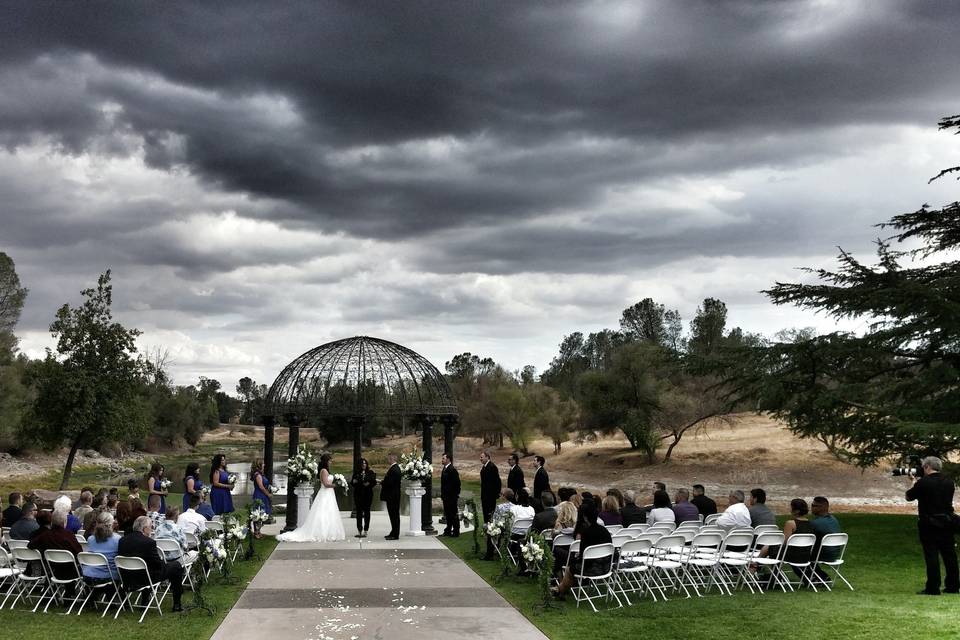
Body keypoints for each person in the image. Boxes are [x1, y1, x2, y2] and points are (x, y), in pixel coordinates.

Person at [906, 456, 959, 595]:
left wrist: (913, 482)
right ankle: (953, 586)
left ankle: (933, 587)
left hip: (928, 523)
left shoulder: (923, 483)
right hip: (947, 522)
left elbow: (908, 497)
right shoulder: (949, 482)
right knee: (950, 555)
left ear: (927, 467)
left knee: (932, 555)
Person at [117, 516, 184, 612]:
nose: (152, 529)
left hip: (127, 579)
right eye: (151, 527)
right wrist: (163, 562)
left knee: (147, 568)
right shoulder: (149, 542)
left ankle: (145, 601)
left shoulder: (122, 540)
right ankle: (177, 604)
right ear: (145, 529)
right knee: (176, 566)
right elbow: (158, 565)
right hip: (145, 579)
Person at [277, 453, 346, 543]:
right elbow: (325, 484)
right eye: (329, 461)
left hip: (329, 494)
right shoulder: (324, 471)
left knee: (329, 511)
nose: (330, 462)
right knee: (323, 512)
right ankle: (321, 532)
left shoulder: (326, 470)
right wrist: (336, 485)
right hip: (325, 493)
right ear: (326, 461)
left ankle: (329, 531)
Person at [554, 502, 612, 598]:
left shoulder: (586, 533)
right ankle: (559, 590)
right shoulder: (604, 531)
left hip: (591, 568)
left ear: (585, 517)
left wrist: (576, 559)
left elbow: (583, 558)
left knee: (570, 568)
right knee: (572, 564)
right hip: (606, 567)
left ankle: (560, 590)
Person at [809, 496, 842, 584]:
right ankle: (822, 577)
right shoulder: (834, 519)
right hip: (835, 554)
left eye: (814, 505)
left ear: (823, 507)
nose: (811, 507)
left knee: (797, 555)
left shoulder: (815, 523)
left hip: (824, 554)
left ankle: (811, 579)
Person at [84, 511, 121, 581]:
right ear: (111, 524)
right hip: (108, 577)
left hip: (88, 576)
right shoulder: (117, 539)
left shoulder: (90, 539)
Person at [480, 450, 502, 560]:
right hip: (485, 497)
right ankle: (489, 548)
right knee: (486, 521)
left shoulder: (492, 467)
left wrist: (495, 494)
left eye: (482, 457)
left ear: (488, 457)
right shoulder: (484, 467)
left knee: (489, 521)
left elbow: (497, 482)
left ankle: (490, 551)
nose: (480, 459)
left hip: (489, 498)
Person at [351, 457, 376, 538]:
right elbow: (353, 482)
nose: (364, 465)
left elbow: (373, 481)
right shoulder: (356, 472)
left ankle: (366, 530)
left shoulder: (370, 472)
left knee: (367, 512)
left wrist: (368, 483)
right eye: (362, 463)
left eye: (365, 463)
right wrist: (355, 482)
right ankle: (359, 530)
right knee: (359, 512)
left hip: (368, 495)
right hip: (358, 495)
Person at [439, 453, 461, 538]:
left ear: (448, 459)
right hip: (446, 497)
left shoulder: (452, 470)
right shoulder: (444, 469)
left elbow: (457, 484)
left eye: (443, 458)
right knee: (448, 514)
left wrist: (454, 496)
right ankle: (448, 530)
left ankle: (456, 531)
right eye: (442, 458)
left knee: (453, 514)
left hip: (451, 497)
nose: (442, 460)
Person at [251, 458, 274, 538]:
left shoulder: (261, 474)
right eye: (263, 463)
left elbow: (265, 485)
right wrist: (268, 494)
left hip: (262, 495)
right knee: (258, 513)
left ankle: (258, 531)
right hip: (259, 495)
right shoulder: (257, 475)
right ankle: (256, 532)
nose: (264, 465)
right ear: (259, 465)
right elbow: (261, 486)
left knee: (263, 514)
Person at [381, 452, 401, 540]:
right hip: (393, 495)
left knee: (394, 515)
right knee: (393, 515)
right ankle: (393, 532)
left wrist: (382, 482)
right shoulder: (394, 468)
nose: (387, 460)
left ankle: (395, 534)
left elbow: (390, 483)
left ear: (393, 458)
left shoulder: (394, 469)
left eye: (389, 458)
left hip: (393, 496)